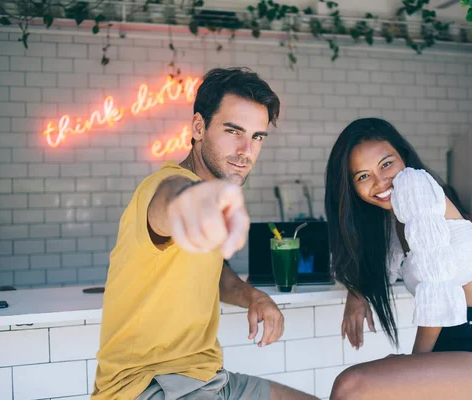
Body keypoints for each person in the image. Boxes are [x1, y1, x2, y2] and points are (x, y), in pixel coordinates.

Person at [92, 68, 317, 400]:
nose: (246, 151)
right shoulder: (162, 188)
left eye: (257, 136)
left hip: (211, 379)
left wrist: (254, 297)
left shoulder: (210, 198)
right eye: (233, 131)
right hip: (150, 387)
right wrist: (196, 198)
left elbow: (215, 273)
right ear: (198, 127)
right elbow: (174, 200)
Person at [324, 118, 472, 400]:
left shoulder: (415, 186)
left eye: (386, 164)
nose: (379, 181)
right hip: (457, 348)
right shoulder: (394, 218)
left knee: (351, 387)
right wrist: (357, 294)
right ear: (351, 189)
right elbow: (385, 264)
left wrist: (413, 361)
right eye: (363, 176)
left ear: (404, 158)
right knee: (354, 387)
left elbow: (437, 292)